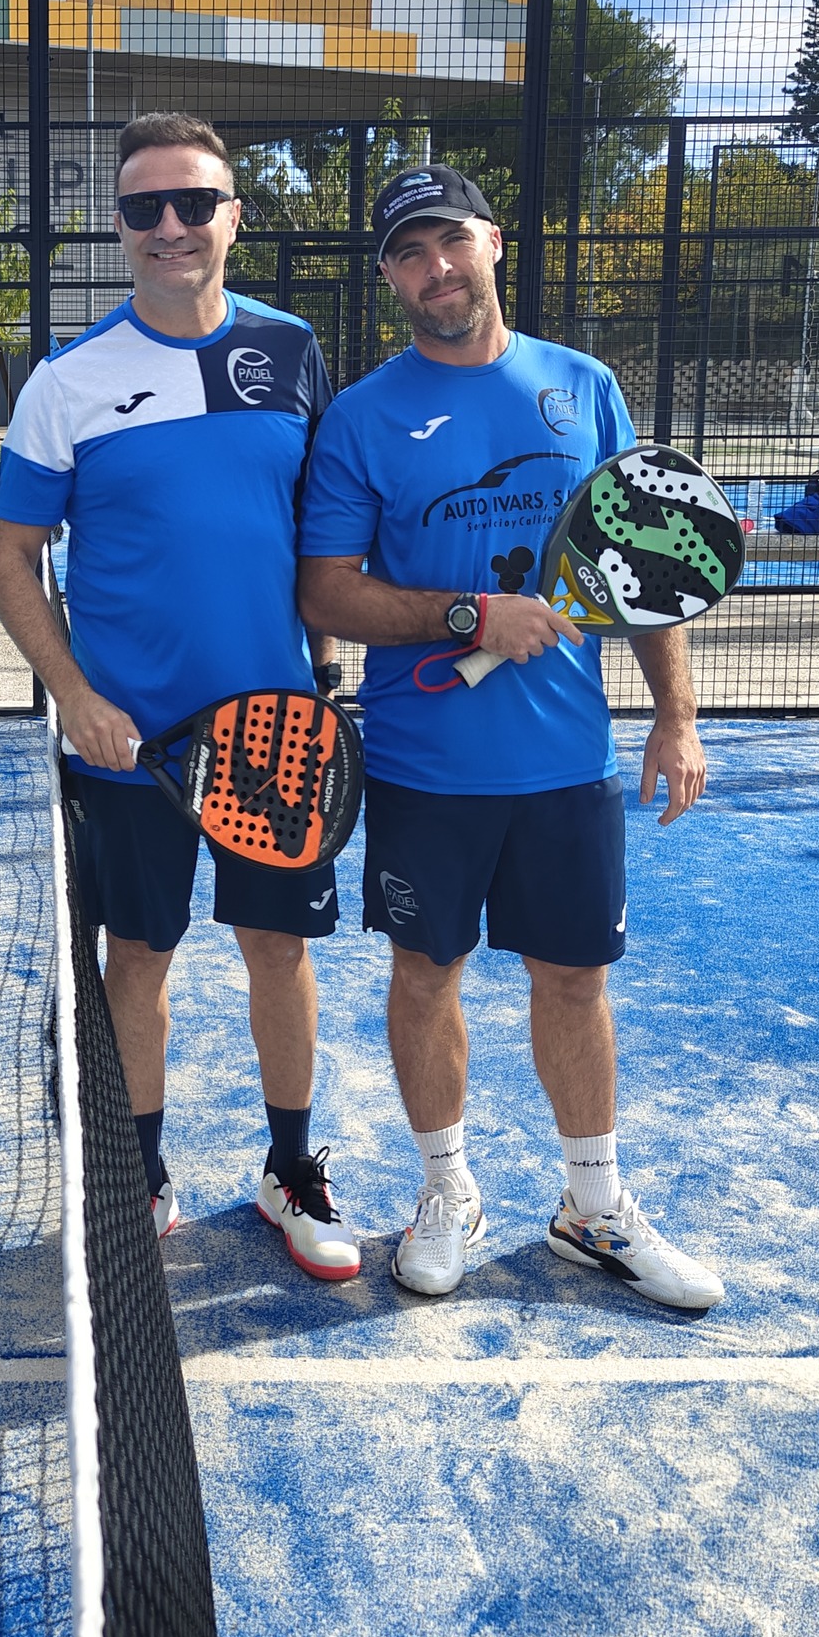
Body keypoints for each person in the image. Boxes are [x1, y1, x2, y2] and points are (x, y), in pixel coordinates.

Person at [297, 160, 723, 1310]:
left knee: (574, 978)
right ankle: (448, 1191)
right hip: (423, 767)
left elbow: (646, 555)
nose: (435, 267)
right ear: (391, 277)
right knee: (425, 972)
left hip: (567, 764)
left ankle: (594, 1207)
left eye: (451, 240)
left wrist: (676, 715)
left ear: (493, 242)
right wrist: (471, 616)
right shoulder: (362, 415)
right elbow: (325, 590)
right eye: (408, 253)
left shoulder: (582, 385)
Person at [0, 111, 358, 1278]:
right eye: (146, 206)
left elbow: (321, 531)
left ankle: (291, 1171)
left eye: (195, 202)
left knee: (277, 953)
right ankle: (140, 1180)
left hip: (274, 734)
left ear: (233, 217)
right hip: (130, 743)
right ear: (120, 227)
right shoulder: (68, 380)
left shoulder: (293, 351)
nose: (171, 225)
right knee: (138, 958)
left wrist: (328, 672)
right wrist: (72, 691)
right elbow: (9, 553)